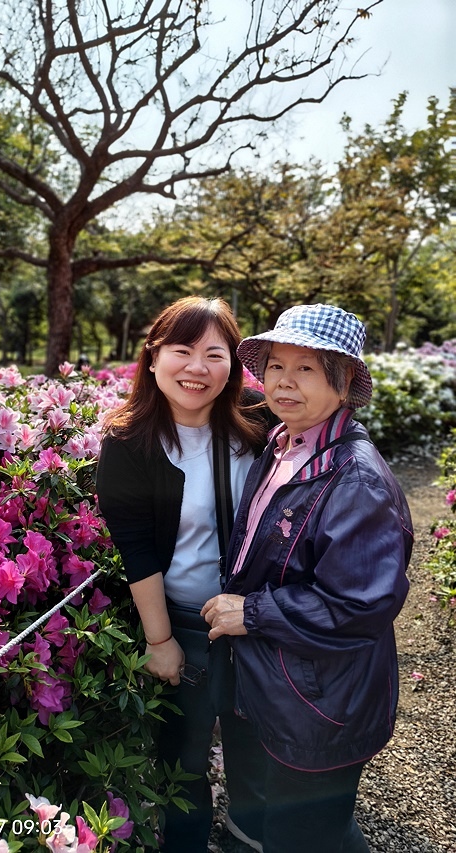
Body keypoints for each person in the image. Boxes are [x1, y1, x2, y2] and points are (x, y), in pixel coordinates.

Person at [201, 303, 414, 853]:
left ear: (343, 385)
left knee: (311, 833)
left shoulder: (356, 480)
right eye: (275, 366)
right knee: (274, 813)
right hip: (277, 678)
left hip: (320, 699)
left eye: (306, 369)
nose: (283, 382)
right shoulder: (283, 443)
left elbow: (357, 605)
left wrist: (248, 612)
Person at [96, 296, 269, 852]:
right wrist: (160, 639)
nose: (197, 367)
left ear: (233, 367)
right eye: (182, 350)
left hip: (264, 624)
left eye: (214, 354)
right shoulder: (128, 444)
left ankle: (250, 841)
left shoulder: (260, 427)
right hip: (187, 626)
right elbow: (138, 549)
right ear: (152, 359)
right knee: (186, 762)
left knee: (260, 755)